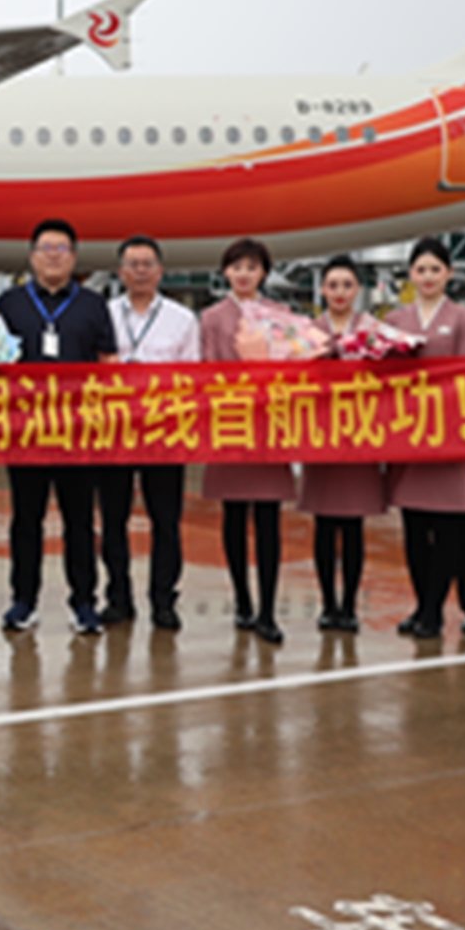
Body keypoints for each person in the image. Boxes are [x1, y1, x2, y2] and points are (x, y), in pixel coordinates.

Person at [0, 218, 119, 635]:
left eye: (61, 249)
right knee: (25, 521)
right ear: (32, 257)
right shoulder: (9, 303)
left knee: (79, 522)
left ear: (74, 257)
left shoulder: (92, 304)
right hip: (25, 433)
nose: (53, 256)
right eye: (45, 248)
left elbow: (107, 364)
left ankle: (84, 602)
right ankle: (23, 601)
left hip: (77, 434)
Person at [384, 238, 465, 641]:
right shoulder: (396, 318)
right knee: (413, 527)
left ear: (449, 274)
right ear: (411, 274)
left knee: (446, 529)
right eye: (421, 270)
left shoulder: (464, 319)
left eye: (435, 270)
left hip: (446, 434)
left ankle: (434, 610)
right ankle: (422, 604)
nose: (428, 277)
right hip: (408, 434)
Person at [99, 234, 200, 631]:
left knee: (166, 521)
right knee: (113, 520)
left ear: (160, 271)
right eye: (132, 264)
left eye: (147, 264)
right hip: (114, 432)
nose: (140, 271)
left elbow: (193, 376)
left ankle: (163, 600)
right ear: (121, 272)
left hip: (163, 434)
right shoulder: (104, 314)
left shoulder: (182, 319)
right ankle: (118, 597)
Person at [198, 237, 294, 644]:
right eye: (236, 267)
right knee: (233, 516)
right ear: (225, 272)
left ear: (263, 273)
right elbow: (206, 368)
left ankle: (268, 610)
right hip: (230, 423)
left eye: (251, 267)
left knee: (269, 519)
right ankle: (242, 600)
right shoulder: (212, 317)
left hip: (269, 425)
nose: (243, 274)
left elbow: (294, 363)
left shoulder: (280, 315)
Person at [299, 255, 387, 634]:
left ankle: (349, 605)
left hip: (359, 435)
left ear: (358, 290)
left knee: (353, 524)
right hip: (322, 436)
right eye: (332, 285)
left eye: (347, 285)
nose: (339, 292)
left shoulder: (373, 331)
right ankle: (327, 604)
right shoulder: (307, 331)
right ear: (322, 289)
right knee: (323, 524)